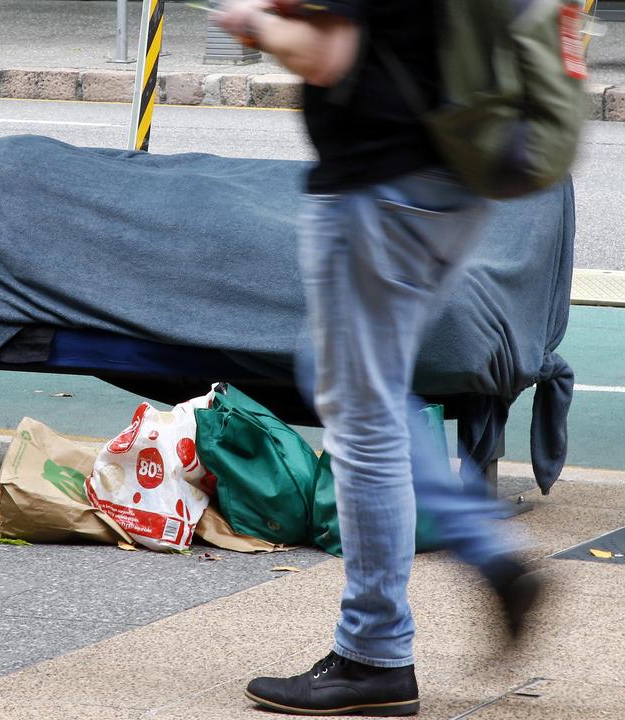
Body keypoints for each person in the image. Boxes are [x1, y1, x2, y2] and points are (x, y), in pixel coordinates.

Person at [215, 1, 544, 716]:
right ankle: (473, 555)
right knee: (357, 387)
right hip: (455, 175)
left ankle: (375, 654)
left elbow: (326, 54)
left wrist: (251, 22)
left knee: (361, 413)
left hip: (381, 185)